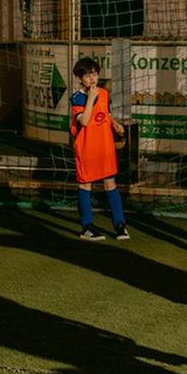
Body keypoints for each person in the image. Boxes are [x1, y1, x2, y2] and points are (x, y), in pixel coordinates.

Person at [69, 57, 128, 242]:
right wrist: (91, 99)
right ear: (80, 79)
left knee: (110, 183)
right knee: (85, 184)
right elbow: (85, 121)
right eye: (87, 76)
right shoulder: (77, 97)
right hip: (86, 147)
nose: (92, 78)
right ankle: (87, 227)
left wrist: (115, 124)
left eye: (94, 74)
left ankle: (120, 225)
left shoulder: (103, 93)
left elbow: (105, 114)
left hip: (104, 146)